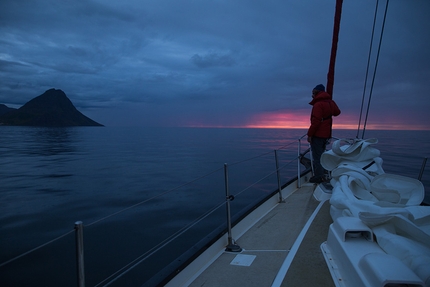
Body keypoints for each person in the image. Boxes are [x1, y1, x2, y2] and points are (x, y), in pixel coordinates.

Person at [307, 84, 341, 183]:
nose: (312, 96)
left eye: (313, 93)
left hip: (318, 135)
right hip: (326, 135)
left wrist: (310, 134)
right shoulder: (330, 102)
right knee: (322, 154)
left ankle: (319, 176)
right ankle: (323, 172)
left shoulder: (318, 104)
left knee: (317, 156)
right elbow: (337, 112)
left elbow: (316, 122)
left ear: (317, 93)